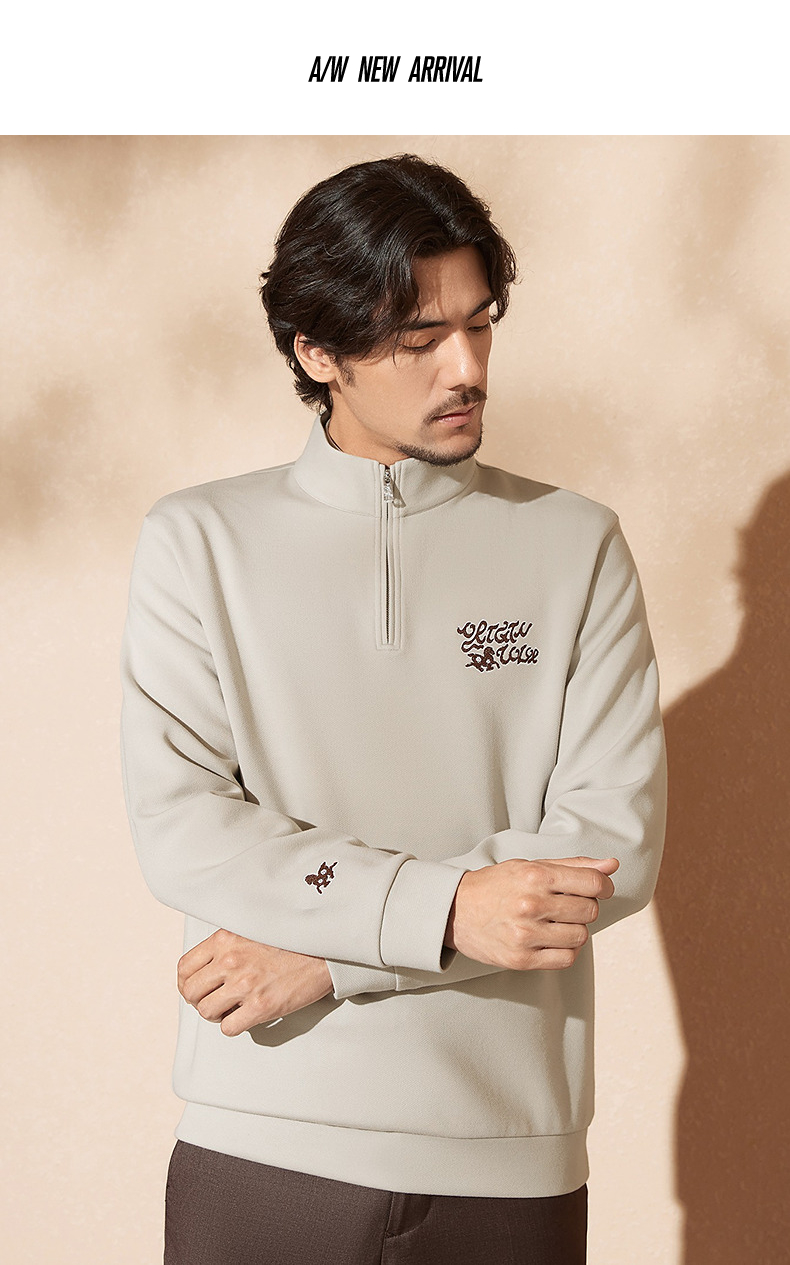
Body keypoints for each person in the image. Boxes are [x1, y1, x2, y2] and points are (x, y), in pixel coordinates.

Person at [120, 153, 667, 1264]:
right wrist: (449, 907)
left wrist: (338, 958)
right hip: (263, 1144)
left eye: (481, 324)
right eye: (419, 340)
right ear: (315, 352)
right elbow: (187, 828)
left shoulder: (576, 544)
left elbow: (610, 846)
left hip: (508, 1158)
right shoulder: (199, 542)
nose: (466, 368)